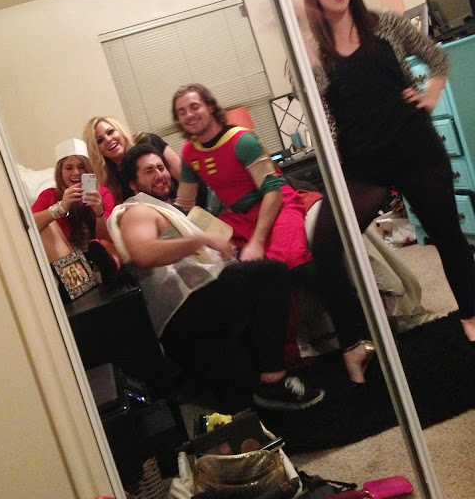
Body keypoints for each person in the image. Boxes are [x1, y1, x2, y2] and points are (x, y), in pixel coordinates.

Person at [296, 0, 475, 368]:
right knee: (325, 245)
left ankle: (471, 318)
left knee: (448, 237)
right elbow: (314, 108)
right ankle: (353, 345)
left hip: (416, 150)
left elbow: (435, 58)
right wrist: (303, 47)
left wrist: (430, 95)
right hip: (364, 167)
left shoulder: (386, 24)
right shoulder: (313, 52)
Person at [106, 142, 325, 412]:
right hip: (184, 311)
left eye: (161, 168)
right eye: (149, 171)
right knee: (271, 272)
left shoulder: (167, 209)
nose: (160, 175)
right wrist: (201, 239)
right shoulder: (138, 211)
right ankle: (274, 378)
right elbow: (143, 254)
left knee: (242, 397)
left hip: (196, 308)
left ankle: (265, 378)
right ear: (133, 185)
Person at [171, 83, 313, 270]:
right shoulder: (189, 153)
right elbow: (184, 205)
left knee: (288, 258)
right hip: (238, 217)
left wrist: (257, 242)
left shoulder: (242, 140)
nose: (189, 115)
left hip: (277, 204)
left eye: (194, 107)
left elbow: (273, 192)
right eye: (182, 112)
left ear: (210, 107)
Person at [32, 138, 114, 263]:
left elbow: (106, 240)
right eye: (69, 168)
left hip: (99, 260)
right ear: (60, 173)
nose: (76, 173)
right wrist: (60, 208)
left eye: (81, 167)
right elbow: (29, 225)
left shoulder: (103, 194)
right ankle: (79, 274)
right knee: (47, 223)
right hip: (68, 261)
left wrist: (99, 213)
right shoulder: (49, 195)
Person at [83, 116, 182, 205]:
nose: (108, 139)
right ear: (96, 150)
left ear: (120, 132)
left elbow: (183, 177)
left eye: (111, 132)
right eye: (100, 140)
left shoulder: (148, 141)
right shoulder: (108, 178)